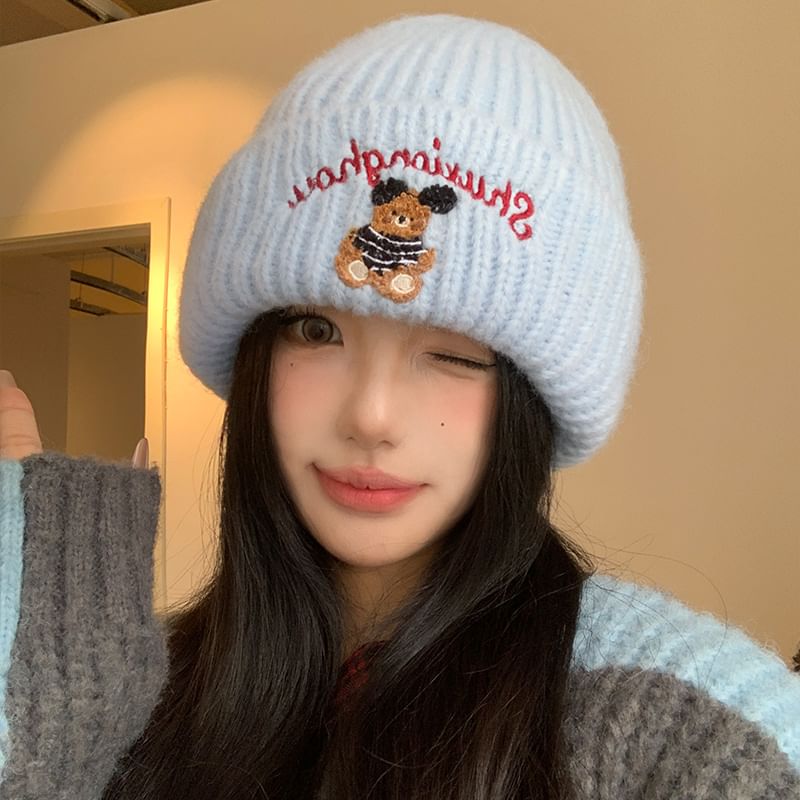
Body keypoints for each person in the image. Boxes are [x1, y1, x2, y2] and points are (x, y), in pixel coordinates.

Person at [1, 13, 798, 800]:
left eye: (454, 354)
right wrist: (45, 700)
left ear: (532, 400)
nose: (372, 416)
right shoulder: (135, 688)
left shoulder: (681, 723)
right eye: (317, 330)